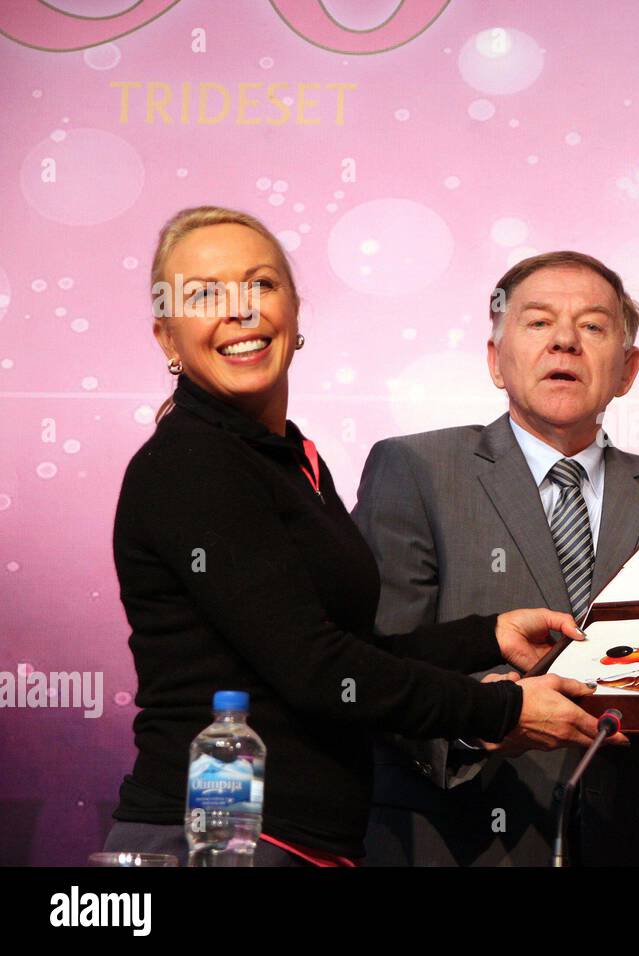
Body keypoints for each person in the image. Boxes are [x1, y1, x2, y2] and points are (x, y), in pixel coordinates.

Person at [105, 207, 612, 867]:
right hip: (219, 841)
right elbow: (318, 670)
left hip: (295, 842)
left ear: (295, 312)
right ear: (166, 337)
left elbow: (349, 650)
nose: (240, 311)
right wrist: (501, 709)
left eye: (260, 284)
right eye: (204, 295)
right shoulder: (194, 463)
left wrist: (485, 638)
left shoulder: (286, 458)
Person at [354, 250, 639, 866]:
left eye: (592, 326)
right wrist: (483, 721)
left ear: (627, 369)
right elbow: (378, 661)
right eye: (537, 322)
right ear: (495, 360)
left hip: (625, 844)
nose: (564, 342)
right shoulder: (416, 471)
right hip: (455, 840)